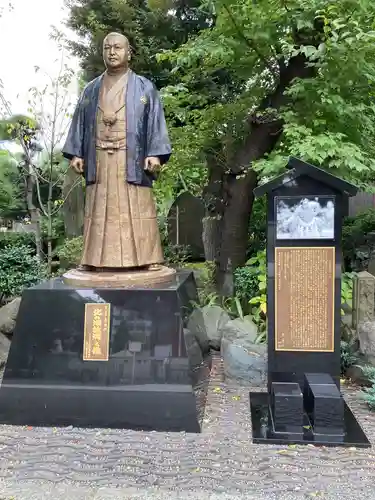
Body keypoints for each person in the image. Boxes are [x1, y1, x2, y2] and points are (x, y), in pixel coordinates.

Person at [62, 32, 171, 271]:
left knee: (138, 206)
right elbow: (80, 122)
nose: (112, 52)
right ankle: (93, 260)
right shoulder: (90, 89)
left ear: (128, 53)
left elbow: (155, 122)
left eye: (118, 48)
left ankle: (148, 258)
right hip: (99, 158)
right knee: (98, 208)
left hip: (130, 157)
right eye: (107, 48)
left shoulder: (144, 87)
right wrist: (77, 153)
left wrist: (154, 153)